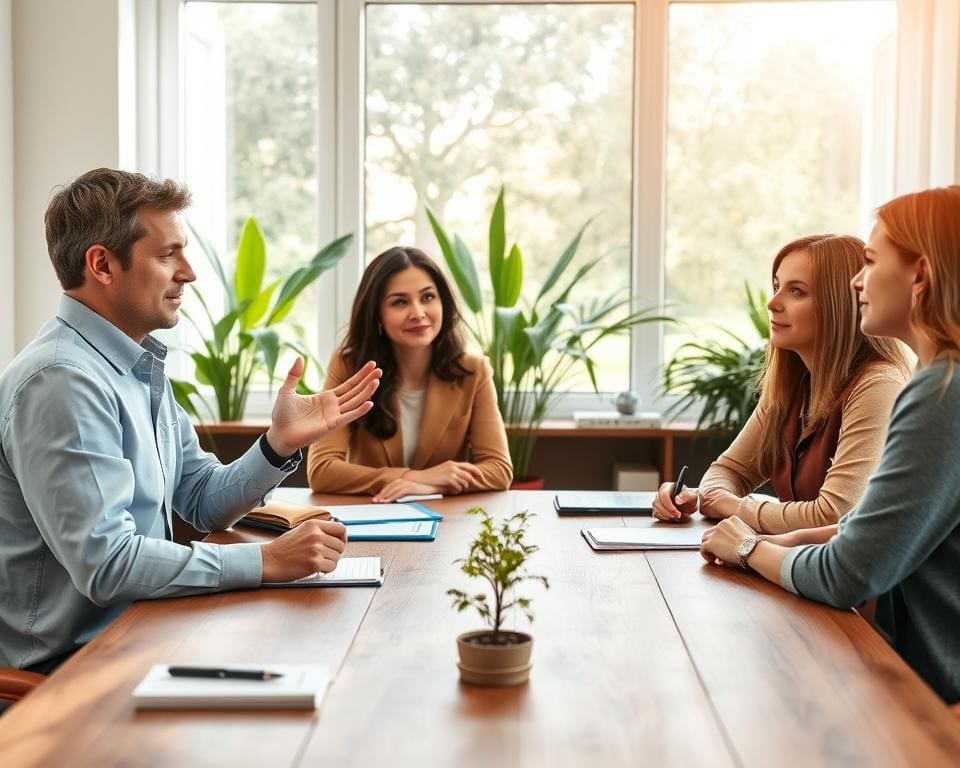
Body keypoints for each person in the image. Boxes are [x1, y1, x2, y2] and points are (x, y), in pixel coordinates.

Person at [0, 168, 382, 673]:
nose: (189, 272)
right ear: (102, 264)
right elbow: (107, 565)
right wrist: (267, 562)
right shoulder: (61, 381)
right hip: (70, 674)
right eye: (167, 254)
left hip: (143, 635)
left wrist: (277, 444)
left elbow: (202, 501)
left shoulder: (132, 367)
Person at [700, 186, 960, 705]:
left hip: (935, 696)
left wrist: (751, 548)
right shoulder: (939, 383)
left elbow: (849, 572)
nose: (858, 282)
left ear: (921, 275)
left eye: (868, 262)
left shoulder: (939, 392)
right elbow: (868, 532)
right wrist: (779, 538)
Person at [653, 234, 909, 533]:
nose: (772, 303)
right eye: (777, 287)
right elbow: (729, 471)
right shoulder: (794, 385)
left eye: (796, 291)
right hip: (800, 569)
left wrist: (732, 505)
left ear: (839, 304)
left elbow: (836, 516)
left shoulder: (880, 386)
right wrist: (701, 496)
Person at [307, 246, 512, 501]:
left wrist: (431, 487)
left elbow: (499, 470)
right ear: (377, 315)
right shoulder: (349, 367)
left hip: (447, 521)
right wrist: (411, 477)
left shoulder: (472, 370)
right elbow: (321, 470)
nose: (418, 313)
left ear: (443, 304)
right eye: (399, 302)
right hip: (372, 515)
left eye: (427, 297)